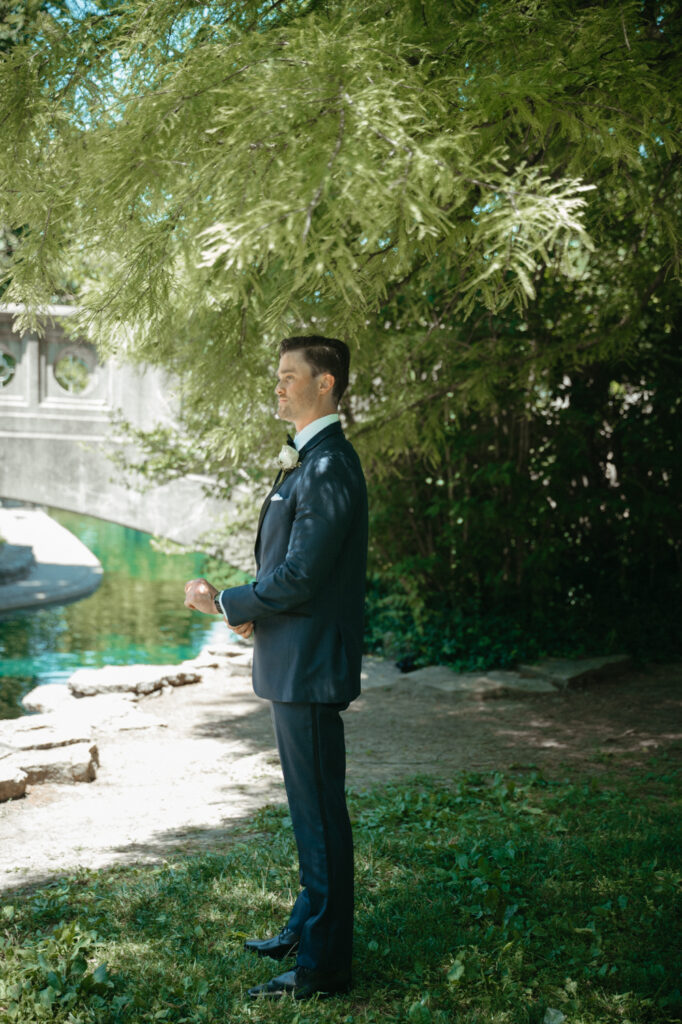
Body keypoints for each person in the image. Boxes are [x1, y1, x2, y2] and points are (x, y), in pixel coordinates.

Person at [183, 334, 368, 1001]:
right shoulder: (308, 459)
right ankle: (305, 928)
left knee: (319, 816)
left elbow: (301, 575)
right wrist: (252, 613)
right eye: (279, 376)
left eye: (291, 376)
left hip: (311, 666)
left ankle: (323, 969)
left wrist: (226, 600)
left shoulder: (329, 466)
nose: (279, 385)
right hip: (294, 658)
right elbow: (291, 573)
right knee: (308, 812)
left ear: (327, 384)